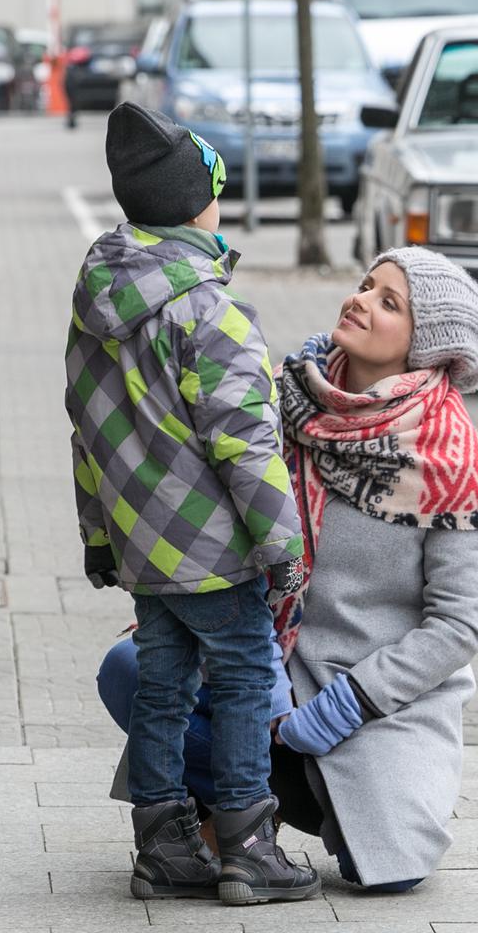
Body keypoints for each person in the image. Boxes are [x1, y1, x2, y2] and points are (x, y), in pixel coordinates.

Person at [99, 246, 478, 891]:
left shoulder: (451, 460)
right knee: (132, 668)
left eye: (387, 301)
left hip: (374, 707)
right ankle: (239, 815)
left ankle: (282, 805)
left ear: (425, 343)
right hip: (262, 674)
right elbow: (229, 530)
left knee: (390, 876)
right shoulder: (287, 401)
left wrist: (347, 702)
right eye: (366, 285)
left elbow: (457, 628)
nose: (360, 300)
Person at [65, 102, 319, 906]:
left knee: (163, 687)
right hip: (213, 548)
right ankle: (249, 846)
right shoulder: (212, 311)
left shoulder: (96, 306)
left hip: (143, 544)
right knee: (246, 676)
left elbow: (87, 434)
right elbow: (247, 443)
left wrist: (100, 540)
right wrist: (284, 547)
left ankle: (162, 846)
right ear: (196, 203)